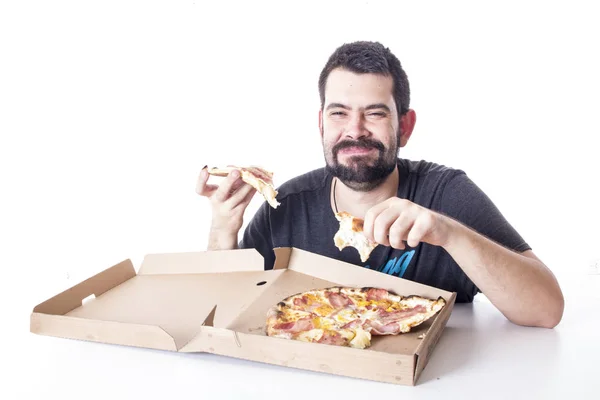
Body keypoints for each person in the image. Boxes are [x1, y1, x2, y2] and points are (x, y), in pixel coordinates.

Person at [196, 41, 564, 329]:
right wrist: (223, 230)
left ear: (404, 126)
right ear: (321, 123)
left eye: (374, 113)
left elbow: (546, 311)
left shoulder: (446, 195)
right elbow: (219, 315)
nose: (354, 130)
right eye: (338, 113)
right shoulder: (288, 205)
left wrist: (449, 234)